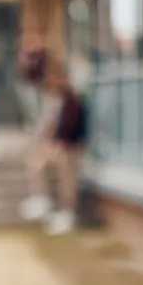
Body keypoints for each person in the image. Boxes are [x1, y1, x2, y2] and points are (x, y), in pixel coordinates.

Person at [19, 66, 86, 235]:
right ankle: (42, 200)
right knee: (36, 161)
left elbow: (72, 128)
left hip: (69, 147)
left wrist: (59, 143)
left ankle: (67, 211)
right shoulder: (52, 101)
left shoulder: (72, 102)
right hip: (56, 145)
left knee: (66, 173)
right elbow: (47, 126)